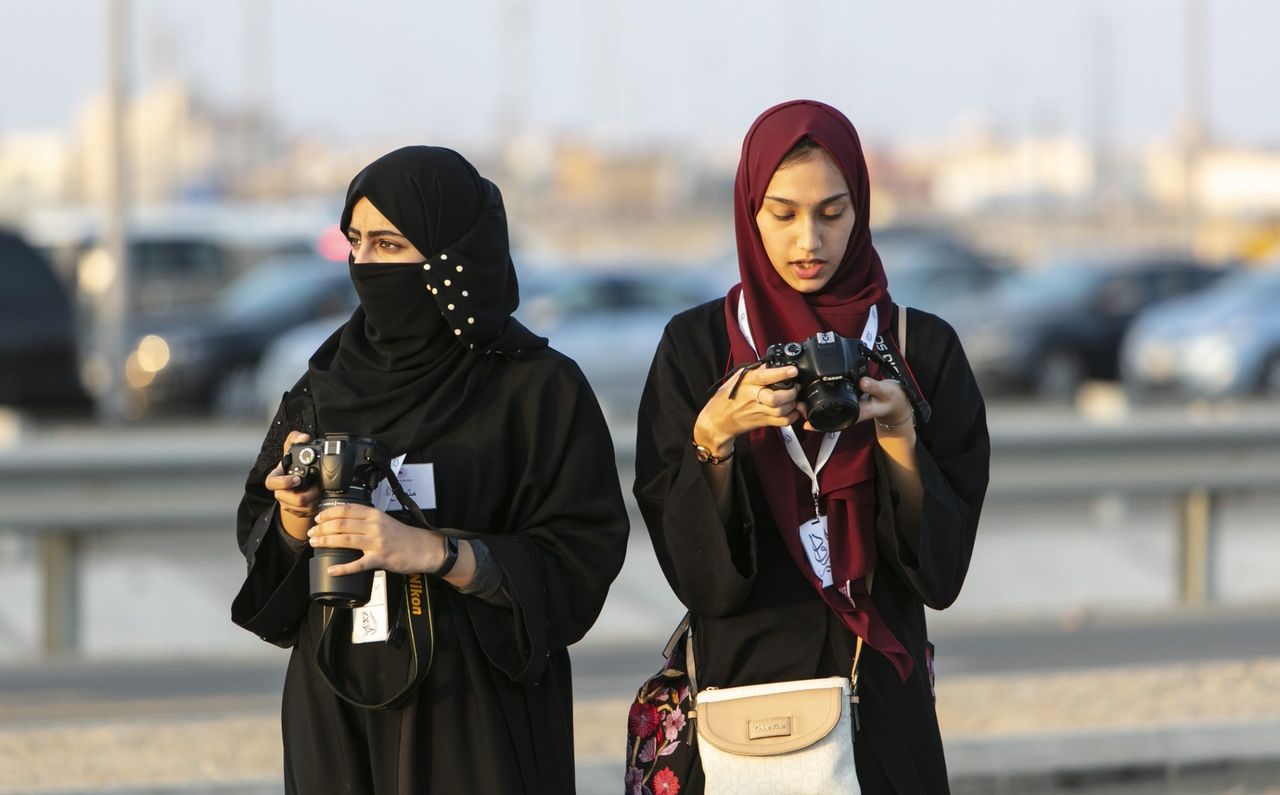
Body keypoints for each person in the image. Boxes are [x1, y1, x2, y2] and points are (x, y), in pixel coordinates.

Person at [232, 146, 630, 794]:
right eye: (356, 242)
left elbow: (579, 560)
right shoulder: (325, 385)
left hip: (475, 712)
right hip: (334, 703)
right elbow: (264, 564)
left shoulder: (534, 390)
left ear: (456, 257)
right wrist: (291, 521)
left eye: (390, 245)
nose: (366, 264)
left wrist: (438, 553)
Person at [633, 100, 990, 793]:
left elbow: (940, 575)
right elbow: (698, 579)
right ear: (748, 210)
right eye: (783, 213)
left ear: (861, 209)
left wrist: (898, 438)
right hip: (745, 715)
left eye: (832, 213)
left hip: (883, 714)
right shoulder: (698, 347)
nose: (809, 241)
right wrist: (714, 439)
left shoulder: (922, 350)